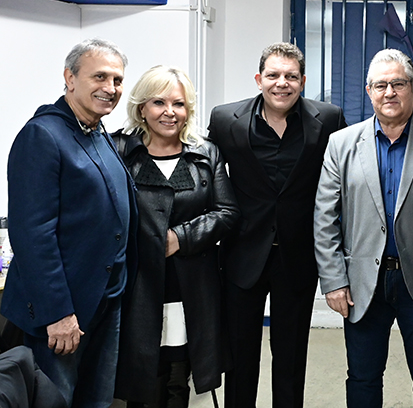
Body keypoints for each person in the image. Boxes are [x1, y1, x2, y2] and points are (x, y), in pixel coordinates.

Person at [314, 48, 413, 408]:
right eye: (381, 85)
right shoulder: (341, 143)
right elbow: (324, 217)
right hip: (362, 283)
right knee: (362, 378)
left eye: (398, 84)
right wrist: (334, 280)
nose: (389, 92)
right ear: (369, 91)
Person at [208, 42, 346, 408]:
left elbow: (343, 183)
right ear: (259, 79)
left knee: (291, 357)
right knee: (240, 358)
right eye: (273, 75)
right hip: (242, 255)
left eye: (290, 76)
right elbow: (205, 177)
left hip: (298, 257)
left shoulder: (329, 119)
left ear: (303, 81)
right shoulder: (225, 119)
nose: (281, 83)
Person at [1, 39, 137, 407]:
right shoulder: (43, 135)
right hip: (63, 313)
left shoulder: (97, 132)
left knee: (97, 401)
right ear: (70, 78)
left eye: (118, 80)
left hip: (104, 302)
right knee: (55, 401)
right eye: (100, 77)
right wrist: (57, 313)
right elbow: (33, 235)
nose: (111, 88)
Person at [112, 66, 240, 407]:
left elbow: (227, 212)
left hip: (191, 285)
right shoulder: (119, 151)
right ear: (142, 108)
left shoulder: (206, 152)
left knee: (180, 372)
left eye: (178, 104)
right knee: (144, 373)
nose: (170, 112)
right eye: (159, 102)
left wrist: (180, 238)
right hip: (139, 285)